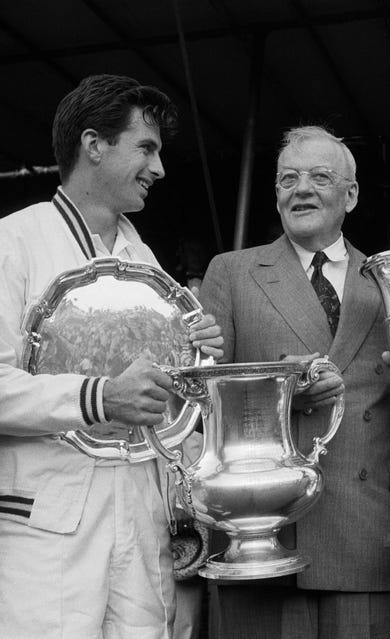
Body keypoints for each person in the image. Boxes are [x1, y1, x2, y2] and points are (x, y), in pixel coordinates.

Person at [0, 74, 223, 638]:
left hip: (142, 514)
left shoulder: (144, 260)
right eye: (145, 148)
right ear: (93, 145)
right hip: (49, 521)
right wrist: (101, 397)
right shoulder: (13, 242)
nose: (159, 168)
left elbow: (167, 402)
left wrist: (197, 360)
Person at [199, 125, 390, 639]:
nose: (302, 189)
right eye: (287, 178)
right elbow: (199, 399)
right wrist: (281, 389)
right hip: (262, 526)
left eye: (320, 176)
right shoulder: (232, 272)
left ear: (351, 195)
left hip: (363, 525)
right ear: (274, 195)